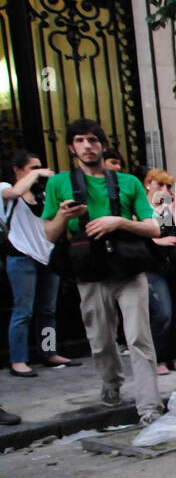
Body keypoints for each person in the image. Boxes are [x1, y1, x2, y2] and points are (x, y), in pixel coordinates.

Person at [42, 119, 164, 424]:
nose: (87, 146)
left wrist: (117, 221)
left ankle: (150, 408)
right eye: (80, 140)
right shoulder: (58, 183)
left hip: (128, 268)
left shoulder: (129, 182)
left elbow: (153, 227)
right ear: (71, 147)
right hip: (89, 271)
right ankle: (111, 382)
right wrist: (62, 215)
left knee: (138, 337)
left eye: (93, 140)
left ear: (102, 144)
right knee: (101, 338)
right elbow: (49, 235)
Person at [4, 149, 80, 376]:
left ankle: (49, 352)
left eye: (40, 167)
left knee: (48, 310)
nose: (39, 172)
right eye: (33, 167)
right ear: (18, 170)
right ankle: (18, 360)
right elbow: (16, 192)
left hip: (47, 257)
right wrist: (38, 175)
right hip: (21, 257)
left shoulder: (45, 195)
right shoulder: (5, 189)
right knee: (23, 311)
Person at [142, 169, 176, 374]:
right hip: (154, 265)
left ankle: (175, 356)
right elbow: (139, 232)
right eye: (159, 185)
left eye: (168, 186)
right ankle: (159, 358)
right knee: (163, 313)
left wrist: (173, 206)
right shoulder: (142, 207)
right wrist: (158, 240)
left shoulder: (168, 208)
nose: (164, 189)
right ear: (148, 185)